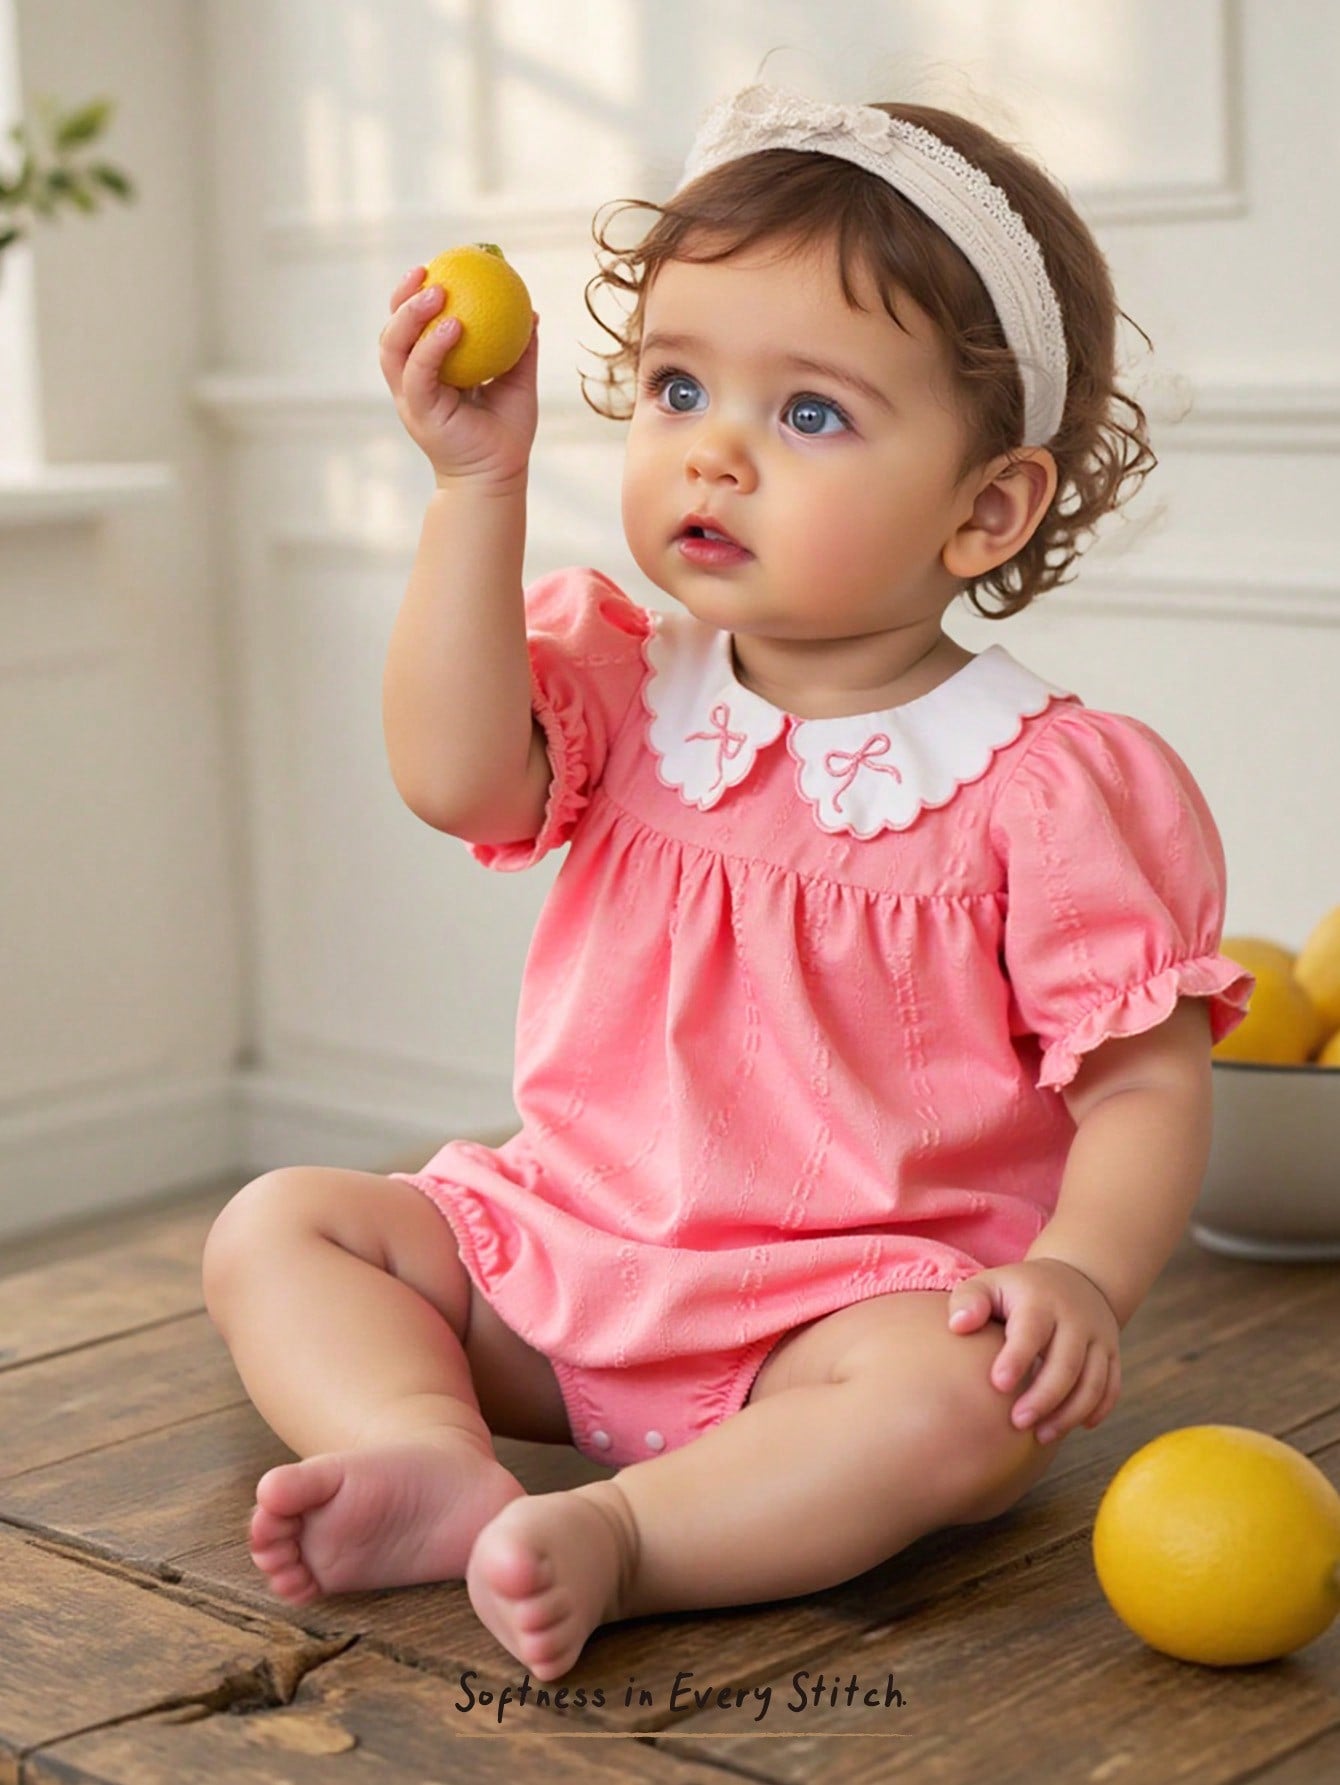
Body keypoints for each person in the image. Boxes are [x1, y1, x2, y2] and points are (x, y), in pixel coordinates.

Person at [202, 82, 1255, 1681]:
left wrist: (1078, 1272)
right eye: (678, 385)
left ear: (987, 507)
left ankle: (634, 1538)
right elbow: (454, 775)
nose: (714, 451)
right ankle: (423, 1447)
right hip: (563, 1268)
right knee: (280, 1227)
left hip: (839, 1326)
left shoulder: (1046, 787)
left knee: (959, 1405)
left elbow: (1143, 1084)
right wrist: (476, 489)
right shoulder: (630, 686)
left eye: (810, 415)